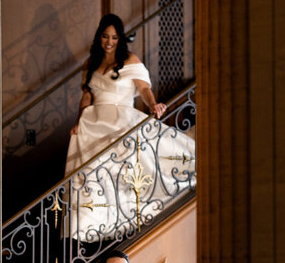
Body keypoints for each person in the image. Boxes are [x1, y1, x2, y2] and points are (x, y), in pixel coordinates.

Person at [63, 14, 196, 242]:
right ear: (99, 36)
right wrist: (78, 121)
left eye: (114, 37)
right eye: (105, 36)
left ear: (120, 38)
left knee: (128, 169)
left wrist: (153, 104)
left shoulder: (130, 59)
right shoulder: (91, 63)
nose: (109, 41)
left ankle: (125, 224)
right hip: (93, 122)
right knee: (92, 176)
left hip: (121, 119)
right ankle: (94, 227)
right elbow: (86, 96)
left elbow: (143, 89)